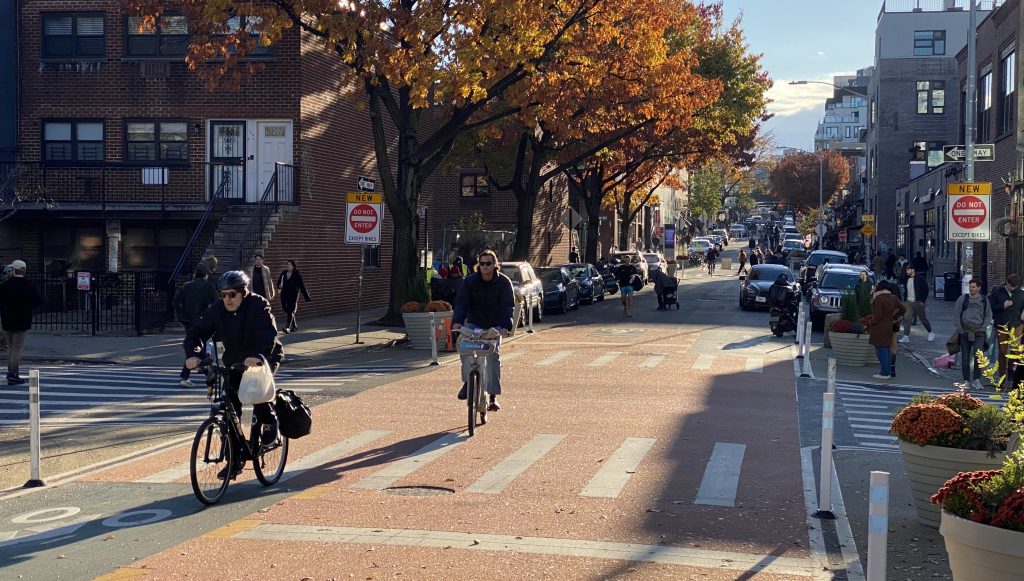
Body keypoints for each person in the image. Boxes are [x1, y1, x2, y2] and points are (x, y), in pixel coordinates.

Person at [183, 271, 283, 478]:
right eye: (223, 294)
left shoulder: (258, 305)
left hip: (263, 356)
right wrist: (193, 354)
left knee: (257, 395)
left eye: (232, 294)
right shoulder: (217, 310)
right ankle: (234, 461)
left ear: (243, 292)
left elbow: (267, 334)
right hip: (234, 362)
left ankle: (270, 421)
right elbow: (196, 331)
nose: (227, 299)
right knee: (230, 409)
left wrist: (257, 356)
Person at [452, 249, 514, 411]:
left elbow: (507, 306)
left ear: (495, 265)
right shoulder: (470, 281)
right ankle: (468, 383)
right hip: (474, 323)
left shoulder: (504, 283)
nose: (485, 266)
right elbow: (462, 303)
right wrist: (457, 322)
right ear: (478, 265)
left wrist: (505, 326)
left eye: (489, 263)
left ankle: (493, 397)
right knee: (465, 348)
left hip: (495, 325)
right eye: (482, 263)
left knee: (493, 357)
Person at [173, 266, 220, 386]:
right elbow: (217, 303)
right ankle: (188, 375)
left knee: (196, 346)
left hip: (189, 321)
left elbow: (176, 302)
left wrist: (182, 317)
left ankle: (205, 372)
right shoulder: (209, 287)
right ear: (206, 275)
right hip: (203, 321)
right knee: (197, 347)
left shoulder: (186, 286)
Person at [0, 260, 40, 385]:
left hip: (7, 320)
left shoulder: (5, 285)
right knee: (17, 348)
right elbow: (37, 301)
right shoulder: (29, 285)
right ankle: (13, 374)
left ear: (13, 270)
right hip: (22, 320)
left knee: (11, 347)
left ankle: (10, 372)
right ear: (24, 271)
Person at [954, 278, 993, 390]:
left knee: (978, 355)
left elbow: (988, 315)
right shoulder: (963, 299)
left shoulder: (984, 300)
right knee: (965, 357)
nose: (971, 289)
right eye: (970, 286)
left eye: (973, 287)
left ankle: (977, 380)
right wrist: (960, 329)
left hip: (979, 331)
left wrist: (983, 327)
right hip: (965, 331)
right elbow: (957, 314)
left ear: (978, 288)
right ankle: (966, 380)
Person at [868, 280, 906, 381]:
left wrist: (870, 322)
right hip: (889, 325)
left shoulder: (878, 298)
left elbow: (878, 315)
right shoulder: (893, 297)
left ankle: (884, 372)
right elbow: (903, 309)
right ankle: (888, 371)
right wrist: (894, 317)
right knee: (886, 349)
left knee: (880, 349)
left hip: (880, 327)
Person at [989, 273, 1024, 384]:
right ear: (1007, 283)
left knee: (1015, 351)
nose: (1012, 288)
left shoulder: (1021, 294)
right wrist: (1002, 306)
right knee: (1003, 351)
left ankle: (1011, 374)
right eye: (1011, 286)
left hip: (1017, 326)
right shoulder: (997, 292)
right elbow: (990, 306)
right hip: (1001, 325)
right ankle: (1002, 376)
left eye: (1015, 287)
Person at [897, 264, 934, 343]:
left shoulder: (920, 279)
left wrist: (922, 301)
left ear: (913, 270)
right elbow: (904, 288)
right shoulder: (906, 279)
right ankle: (906, 336)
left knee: (922, 318)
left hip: (918, 301)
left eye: (908, 270)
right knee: (907, 319)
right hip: (908, 302)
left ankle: (930, 332)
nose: (907, 272)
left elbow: (926, 289)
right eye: (906, 270)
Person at [276, 260, 311, 333]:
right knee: (286, 310)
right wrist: (279, 286)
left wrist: (306, 297)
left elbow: (302, 286)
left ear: (293, 267)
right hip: (284, 295)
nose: (287, 266)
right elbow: (278, 283)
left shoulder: (297, 275)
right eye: (287, 265)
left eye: (289, 265)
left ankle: (287, 327)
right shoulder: (283, 273)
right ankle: (294, 326)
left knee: (290, 310)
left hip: (293, 295)